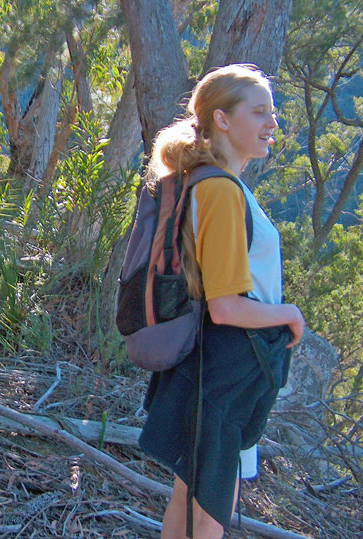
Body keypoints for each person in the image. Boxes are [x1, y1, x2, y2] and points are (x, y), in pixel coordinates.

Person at [137, 64, 306, 538]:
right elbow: (226, 306)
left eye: (272, 112)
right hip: (228, 365)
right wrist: (289, 315)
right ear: (223, 119)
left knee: (189, 497)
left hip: (207, 363)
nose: (272, 122)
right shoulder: (220, 191)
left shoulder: (202, 183)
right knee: (211, 504)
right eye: (259, 112)